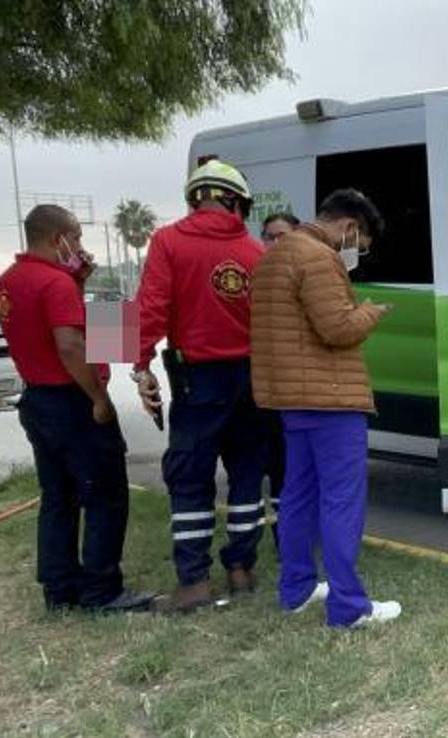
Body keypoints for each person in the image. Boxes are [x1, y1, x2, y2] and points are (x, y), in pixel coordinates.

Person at [248, 188, 401, 629]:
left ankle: (295, 588)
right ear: (350, 227)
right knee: (341, 500)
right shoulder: (317, 255)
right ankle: (348, 606)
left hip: (287, 396)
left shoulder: (272, 253)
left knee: (297, 493)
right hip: (329, 397)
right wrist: (370, 311)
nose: (356, 253)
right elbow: (336, 328)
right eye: (359, 244)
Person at [132, 159, 279, 613]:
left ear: (195, 198)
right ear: (236, 200)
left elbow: (148, 308)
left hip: (196, 377)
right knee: (246, 473)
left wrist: (139, 366)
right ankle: (241, 569)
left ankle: (193, 582)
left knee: (190, 477)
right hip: (252, 376)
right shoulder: (257, 252)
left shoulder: (167, 241)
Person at [0, 204, 153, 614]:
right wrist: (99, 398)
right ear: (56, 239)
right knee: (105, 495)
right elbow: (70, 344)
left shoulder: (7, 283)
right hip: (73, 400)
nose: (81, 246)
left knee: (58, 497)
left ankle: (59, 589)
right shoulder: (54, 284)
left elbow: (78, 331)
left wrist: (80, 282)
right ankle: (103, 590)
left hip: (38, 399)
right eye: (77, 237)